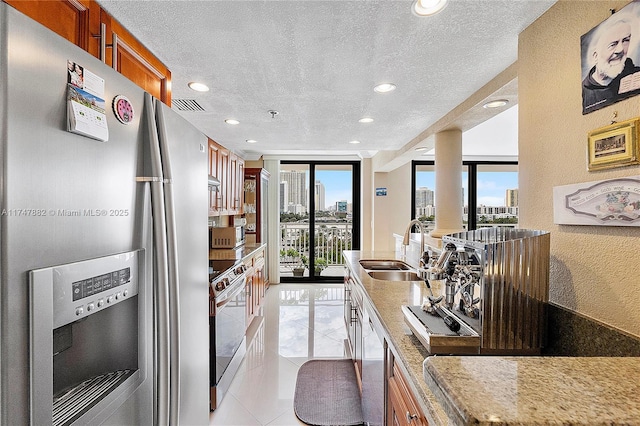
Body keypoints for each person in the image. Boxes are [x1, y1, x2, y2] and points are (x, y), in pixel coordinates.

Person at [582, 17, 640, 114]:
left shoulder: (636, 74)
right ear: (595, 56)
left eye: (625, 40)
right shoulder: (585, 92)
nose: (620, 49)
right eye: (613, 44)